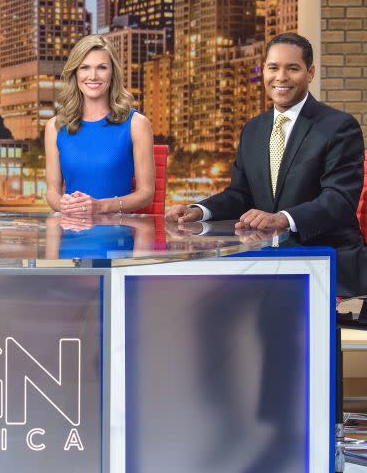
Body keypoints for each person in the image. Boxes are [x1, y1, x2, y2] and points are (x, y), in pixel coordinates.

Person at [165, 32, 367, 297]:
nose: (281, 77)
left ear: (310, 73)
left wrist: (282, 219)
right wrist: (200, 210)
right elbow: (240, 194)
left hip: (325, 258)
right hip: (268, 258)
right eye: (273, 68)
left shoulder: (339, 126)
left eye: (292, 68)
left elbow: (339, 199)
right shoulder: (253, 129)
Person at [45, 35, 155, 216]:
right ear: (75, 74)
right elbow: (52, 193)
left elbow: (146, 194)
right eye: (84, 68)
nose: (93, 76)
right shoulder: (54, 127)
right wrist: (64, 205)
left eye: (102, 68)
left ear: (112, 73)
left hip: (117, 234)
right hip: (71, 231)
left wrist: (101, 206)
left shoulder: (137, 124)